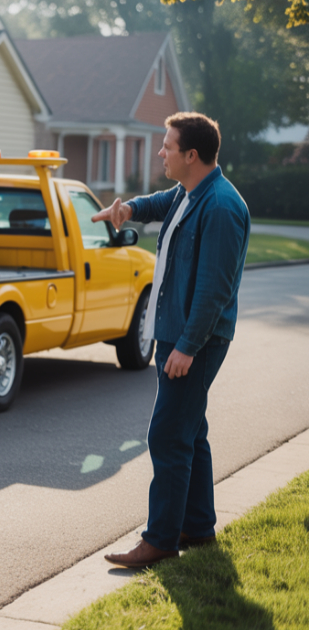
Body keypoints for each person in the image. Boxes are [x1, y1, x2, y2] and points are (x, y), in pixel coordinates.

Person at [95, 112, 250, 568]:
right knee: (189, 429)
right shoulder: (191, 192)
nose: (160, 152)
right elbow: (160, 203)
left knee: (167, 435)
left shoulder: (220, 207)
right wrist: (128, 210)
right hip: (179, 333)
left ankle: (160, 538)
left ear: (191, 155)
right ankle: (197, 525)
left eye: (167, 146)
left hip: (193, 340)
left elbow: (213, 290)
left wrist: (186, 346)